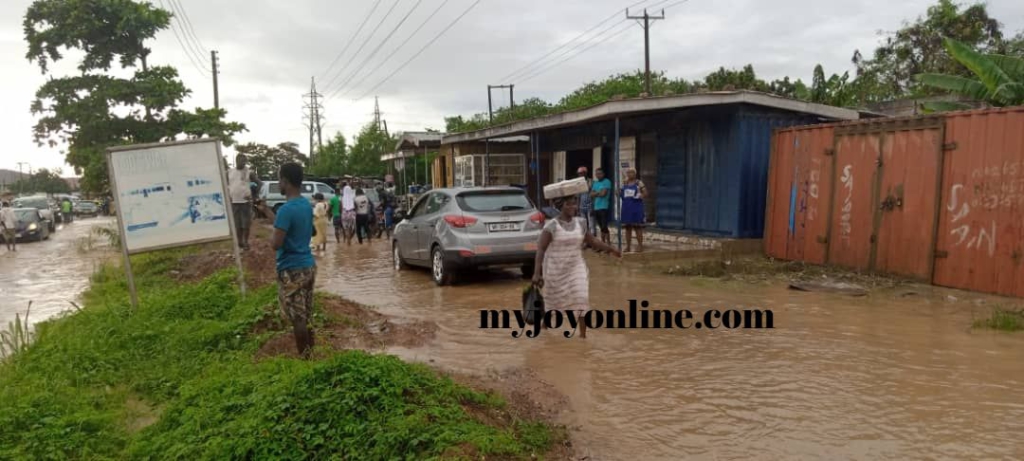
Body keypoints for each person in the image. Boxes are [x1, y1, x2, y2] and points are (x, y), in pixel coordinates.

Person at [532, 194, 621, 338]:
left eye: (574, 204)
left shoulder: (581, 223)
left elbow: (592, 241)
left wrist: (611, 249)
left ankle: (583, 337)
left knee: (581, 299)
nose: (573, 207)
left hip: (576, 268)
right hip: (555, 270)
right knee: (553, 306)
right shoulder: (551, 226)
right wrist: (537, 273)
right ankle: (543, 333)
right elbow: (541, 249)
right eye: (569, 204)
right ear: (561, 206)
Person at [256, 162, 316, 358]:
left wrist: (270, 236)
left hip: (291, 270)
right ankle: (312, 356)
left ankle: (305, 360)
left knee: (297, 318)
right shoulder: (305, 205)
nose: (278, 183)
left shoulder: (286, 210)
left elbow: (276, 243)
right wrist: (266, 211)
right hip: (307, 265)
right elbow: (289, 226)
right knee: (306, 314)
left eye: (279, 178)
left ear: (286, 181)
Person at [228, 154, 262, 250]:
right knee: (237, 224)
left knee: (246, 224)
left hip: (245, 202)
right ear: (237, 160)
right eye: (242, 161)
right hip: (234, 202)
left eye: (245, 161)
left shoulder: (249, 172)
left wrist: (254, 196)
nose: (244, 163)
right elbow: (225, 184)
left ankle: (246, 242)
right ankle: (239, 242)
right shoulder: (230, 172)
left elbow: (259, 183)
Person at [619, 168, 647, 253]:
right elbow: (620, 194)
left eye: (631, 172)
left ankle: (640, 246)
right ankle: (628, 246)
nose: (629, 174)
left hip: (636, 208)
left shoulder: (639, 183)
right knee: (628, 228)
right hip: (626, 208)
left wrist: (640, 196)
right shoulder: (624, 183)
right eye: (628, 173)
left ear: (635, 174)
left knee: (637, 227)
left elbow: (645, 193)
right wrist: (618, 192)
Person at [590, 168, 613, 244]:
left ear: (603, 174)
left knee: (604, 226)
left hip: (604, 207)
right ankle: (603, 243)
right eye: (597, 174)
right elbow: (591, 194)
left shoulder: (607, 182)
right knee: (600, 226)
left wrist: (596, 193)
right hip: (596, 207)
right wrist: (598, 192)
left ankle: (608, 243)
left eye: (600, 173)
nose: (598, 175)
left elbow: (603, 194)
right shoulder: (595, 183)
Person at [575, 166, 594, 237]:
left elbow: (593, 194)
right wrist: (577, 207)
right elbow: (578, 197)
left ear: (585, 173)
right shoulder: (578, 183)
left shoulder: (591, 181)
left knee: (591, 224)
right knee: (583, 224)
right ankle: (586, 240)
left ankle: (593, 240)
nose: (580, 175)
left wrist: (593, 206)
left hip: (590, 205)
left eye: (581, 173)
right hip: (581, 206)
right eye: (579, 173)